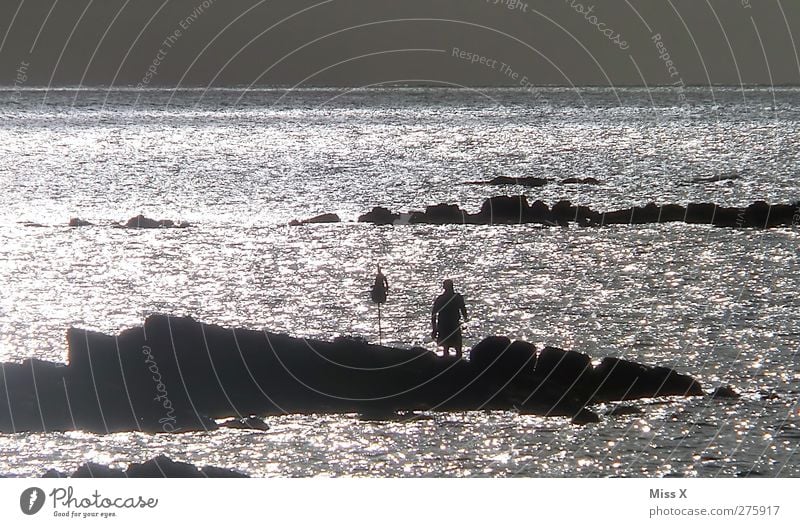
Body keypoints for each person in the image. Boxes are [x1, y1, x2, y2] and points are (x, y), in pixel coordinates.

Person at [431, 279, 468, 358]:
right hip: (453, 325)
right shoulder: (457, 297)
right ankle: (459, 364)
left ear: (444, 287)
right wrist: (465, 321)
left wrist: (434, 329)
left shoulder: (440, 299)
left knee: (446, 348)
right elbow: (464, 311)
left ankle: (447, 363)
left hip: (445, 326)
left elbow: (433, 315)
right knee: (457, 348)